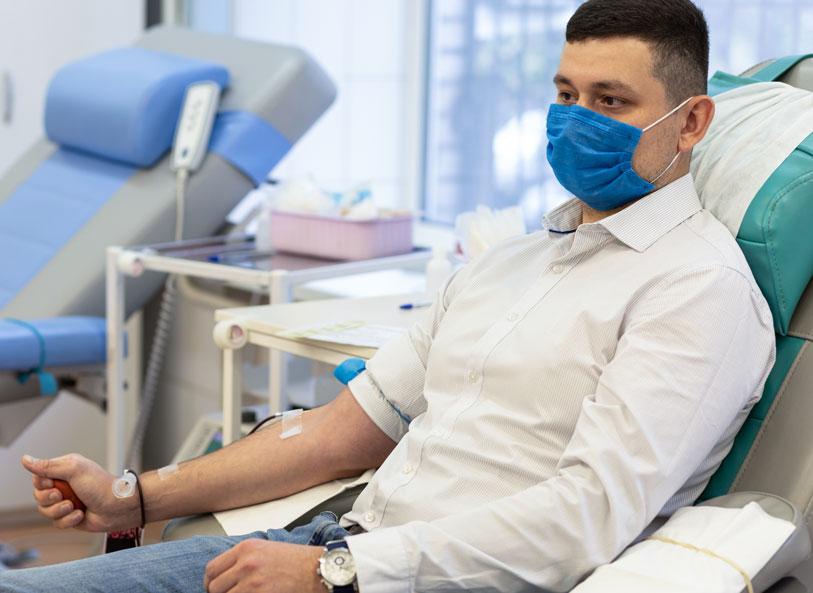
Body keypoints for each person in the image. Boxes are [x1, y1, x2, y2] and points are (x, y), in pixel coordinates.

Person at [0, 1, 776, 592]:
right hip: (341, 542)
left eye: (610, 102)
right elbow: (339, 434)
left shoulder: (694, 290)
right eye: (565, 94)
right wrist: (132, 497)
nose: (575, 122)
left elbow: (585, 517)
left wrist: (337, 571)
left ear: (691, 122)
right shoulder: (508, 263)